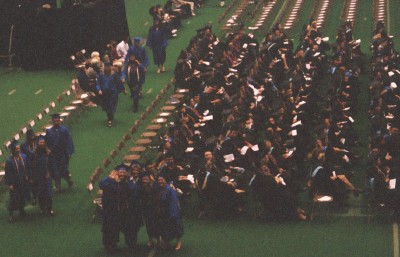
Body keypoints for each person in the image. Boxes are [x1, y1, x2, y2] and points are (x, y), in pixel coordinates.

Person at [99, 165, 131, 253]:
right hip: (109, 210)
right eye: (121, 172)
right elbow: (102, 185)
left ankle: (113, 244)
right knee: (108, 228)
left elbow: (126, 193)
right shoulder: (109, 181)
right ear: (117, 172)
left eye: (124, 172)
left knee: (116, 228)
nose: (122, 174)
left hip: (119, 210)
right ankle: (108, 244)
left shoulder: (125, 182)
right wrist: (111, 179)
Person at [46, 113, 75, 192]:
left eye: (57, 121)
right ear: (52, 121)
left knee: (64, 169)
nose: (56, 122)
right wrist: (47, 149)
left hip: (63, 154)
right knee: (55, 170)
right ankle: (57, 185)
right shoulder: (49, 131)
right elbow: (47, 143)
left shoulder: (64, 130)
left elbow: (69, 141)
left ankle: (68, 180)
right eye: (54, 121)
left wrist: (69, 152)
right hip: (54, 155)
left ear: (60, 121)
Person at [4, 141, 31, 223]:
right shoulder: (9, 161)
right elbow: (8, 173)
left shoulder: (24, 157)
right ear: (13, 150)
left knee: (22, 197)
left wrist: (28, 177)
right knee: (13, 199)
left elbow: (27, 167)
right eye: (16, 149)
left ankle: (21, 210)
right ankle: (11, 215)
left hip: (23, 181)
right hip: (15, 183)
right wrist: (10, 184)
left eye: (19, 148)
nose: (18, 150)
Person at [156, 175, 183, 250]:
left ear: (165, 180)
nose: (160, 181)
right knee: (165, 228)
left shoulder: (169, 189)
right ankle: (166, 242)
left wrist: (173, 213)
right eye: (159, 180)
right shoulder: (160, 189)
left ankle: (179, 242)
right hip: (163, 212)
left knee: (176, 227)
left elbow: (174, 201)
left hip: (172, 211)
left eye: (162, 180)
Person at [33, 135, 54, 215]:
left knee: (48, 194)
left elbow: (51, 163)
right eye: (40, 142)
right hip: (39, 177)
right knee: (40, 193)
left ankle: (50, 209)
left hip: (47, 176)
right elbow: (33, 165)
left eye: (43, 142)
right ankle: (42, 208)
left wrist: (49, 172)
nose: (42, 144)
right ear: (38, 143)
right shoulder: (35, 154)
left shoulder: (48, 153)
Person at [139, 172, 159, 247]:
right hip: (146, 210)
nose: (145, 181)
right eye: (143, 179)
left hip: (155, 209)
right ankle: (150, 239)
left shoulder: (154, 186)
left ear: (149, 180)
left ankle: (158, 238)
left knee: (156, 224)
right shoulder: (140, 188)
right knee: (149, 225)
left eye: (146, 179)